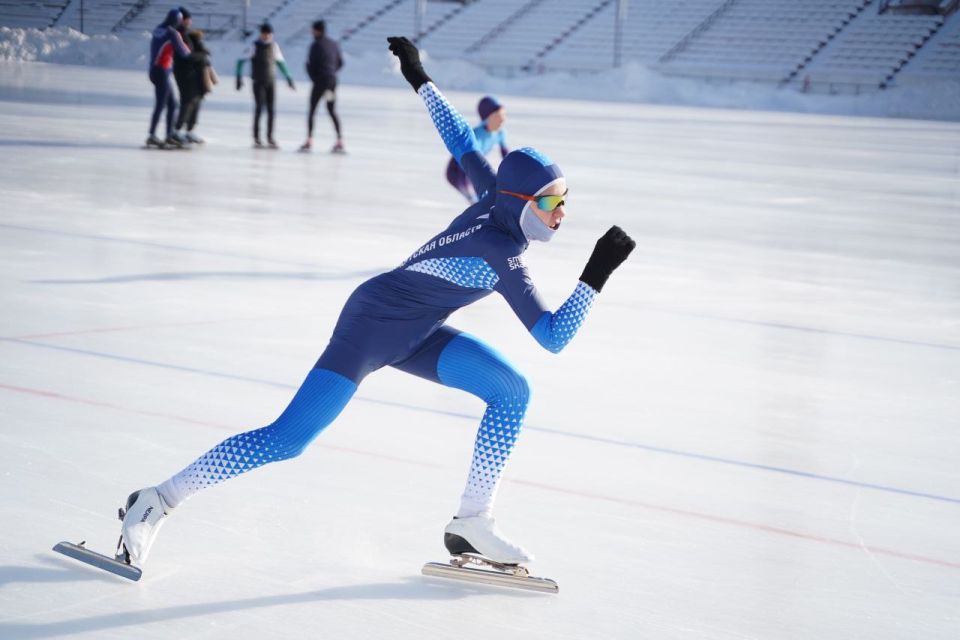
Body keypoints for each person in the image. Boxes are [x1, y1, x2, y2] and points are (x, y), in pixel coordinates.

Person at [117, 36, 635, 570]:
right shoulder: (502, 250)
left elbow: (460, 139)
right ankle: (157, 499)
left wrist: (419, 77)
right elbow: (553, 337)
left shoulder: (492, 197)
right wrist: (597, 272)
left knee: (510, 392)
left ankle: (472, 522)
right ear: (522, 202)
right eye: (552, 203)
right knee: (287, 439)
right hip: (373, 323)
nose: (561, 213)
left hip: (419, 330)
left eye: (565, 200)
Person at [236, 23, 296, 149]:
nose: (267, 36)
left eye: (269, 34)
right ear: (261, 34)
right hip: (258, 81)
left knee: (271, 111)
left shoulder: (274, 46)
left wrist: (288, 77)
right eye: (265, 33)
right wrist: (238, 77)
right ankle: (257, 138)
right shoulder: (254, 46)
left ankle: (270, 137)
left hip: (271, 81)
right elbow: (241, 61)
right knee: (259, 109)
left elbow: (280, 63)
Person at [446, 96, 509, 202]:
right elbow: (466, 162)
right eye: (498, 116)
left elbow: (506, 156)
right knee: (478, 202)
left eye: (504, 115)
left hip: (472, 169)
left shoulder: (500, 133)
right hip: (457, 171)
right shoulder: (476, 135)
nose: (503, 119)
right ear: (487, 118)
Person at [146, 8, 192, 149]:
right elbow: (185, 52)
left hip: (154, 70)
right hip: (163, 71)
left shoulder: (158, 29)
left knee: (172, 104)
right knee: (162, 104)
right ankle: (153, 135)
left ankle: (168, 134)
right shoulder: (173, 33)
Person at [299, 20, 345, 153]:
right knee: (331, 110)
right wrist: (331, 72)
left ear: (317, 31)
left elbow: (311, 65)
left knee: (312, 110)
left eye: (313, 30)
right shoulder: (334, 44)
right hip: (331, 82)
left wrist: (315, 78)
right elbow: (341, 62)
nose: (311, 33)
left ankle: (309, 140)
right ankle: (339, 141)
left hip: (320, 82)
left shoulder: (315, 45)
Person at [173, 8, 216, 144]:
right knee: (187, 101)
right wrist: (202, 54)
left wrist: (200, 47)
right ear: (182, 19)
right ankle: (177, 130)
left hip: (194, 73)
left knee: (197, 100)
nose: (190, 21)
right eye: (188, 19)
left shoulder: (187, 34)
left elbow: (195, 51)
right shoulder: (178, 34)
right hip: (184, 73)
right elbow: (187, 57)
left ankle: (190, 131)